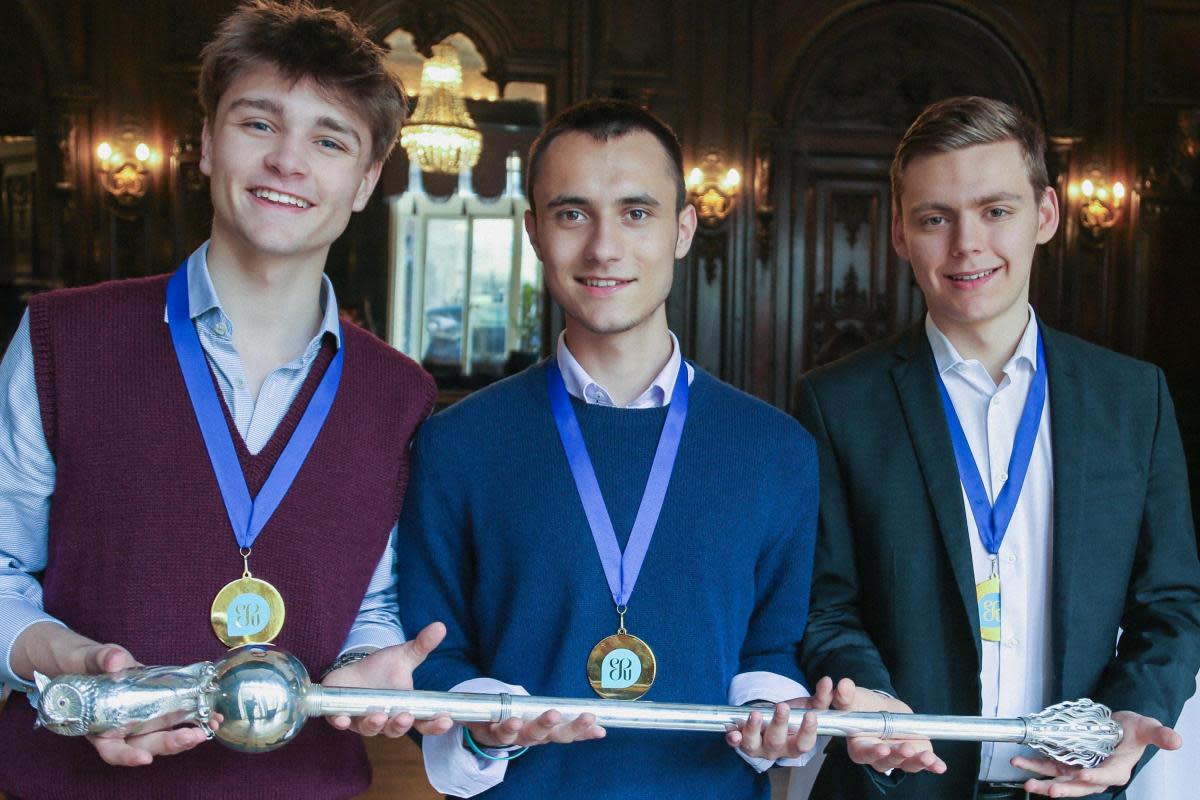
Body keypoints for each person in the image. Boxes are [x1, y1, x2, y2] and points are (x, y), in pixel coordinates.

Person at [0, 2, 451, 797]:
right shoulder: (58, 343)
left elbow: (371, 603)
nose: (288, 161)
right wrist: (70, 664)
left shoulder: (401, 395)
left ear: (365, 181)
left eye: (329, 139)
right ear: (207, 142)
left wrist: (366, 666)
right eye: (258, 124)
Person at [395, 98, 829, 799]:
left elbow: (771, 647)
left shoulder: (777, 450)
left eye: (636, 212)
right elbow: (432, 652)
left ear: (684, 229)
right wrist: (483, 723)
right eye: (572, 214)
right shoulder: (457, 444)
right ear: (534, 231)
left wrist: (769, 715)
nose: (603, 247)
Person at [794, 95, 1200, 799]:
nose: (967, 245)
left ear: (1046, 214)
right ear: (898, 233)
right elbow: (826, 605)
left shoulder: (1134, 399)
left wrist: (1137, 713)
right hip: (893, 785)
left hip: (1079, 783)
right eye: (934, 219)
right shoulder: (837, 402)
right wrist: (875, 706)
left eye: (996, 211)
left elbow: (1172, 602)